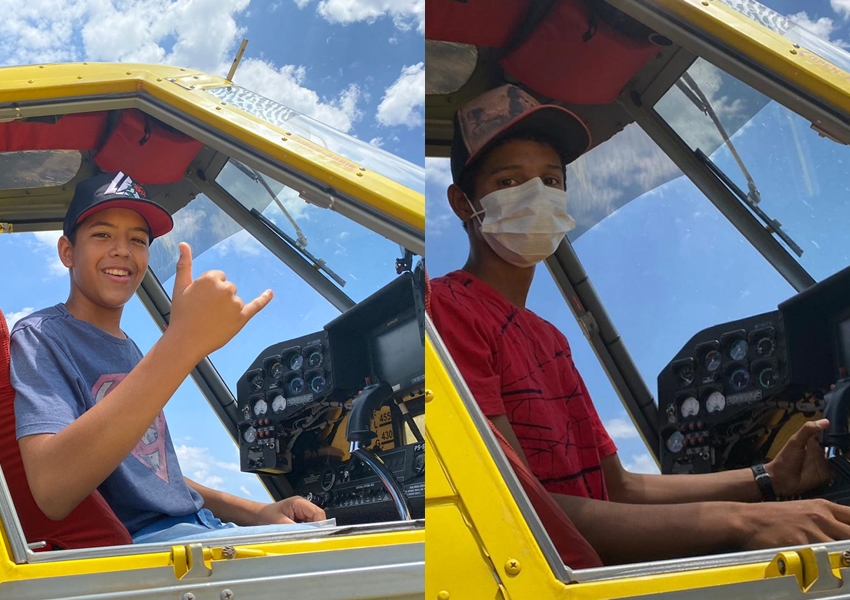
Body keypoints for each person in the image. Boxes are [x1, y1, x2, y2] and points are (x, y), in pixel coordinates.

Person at [430, 84, 850, 564]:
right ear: (464, 203)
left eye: (550, 181)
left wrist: (768, 479)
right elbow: (519, 509)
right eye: (509, 182)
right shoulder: (447, 310)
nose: (537, 197)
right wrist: (746, 520)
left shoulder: (550, 338)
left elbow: (620, 488)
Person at [10, 172, 327, 544]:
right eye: (102, 234)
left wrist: (257, 512)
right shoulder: (40, 336)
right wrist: (183, 342)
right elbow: (52, 489)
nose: (123, 250)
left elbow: (152, 475)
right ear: (67, 252)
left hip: (196, 528)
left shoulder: (131, 349)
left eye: (138, 240)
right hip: (149, 547)